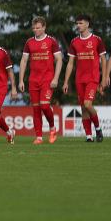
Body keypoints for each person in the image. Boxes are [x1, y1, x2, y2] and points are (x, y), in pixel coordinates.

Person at [18, 16, 63, 145]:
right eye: (34, 28)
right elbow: (24, 60)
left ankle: (53, 129)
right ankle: (38, 137)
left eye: (38, 28)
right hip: (33, 80)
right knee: (36, 108)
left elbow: (59, 59)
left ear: (44, 27)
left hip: (47, 79)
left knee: (44, 105)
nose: (36, 30)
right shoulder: (29, 42)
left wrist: (55, 78)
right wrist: (21, 80)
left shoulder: (51, 41)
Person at [62, 15, 106, 142]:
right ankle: (89, 136)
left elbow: (103, 59)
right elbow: (70, 63)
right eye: (77, 23)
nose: (78, 25)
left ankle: (98, 128)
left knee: (88, 104)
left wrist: (104, 77)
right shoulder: (74, 42)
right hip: (79, 79)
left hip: (93, 78)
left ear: (87, 24)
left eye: (80, 23)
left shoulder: (97, 40)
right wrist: (66, 81)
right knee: (83, 107)